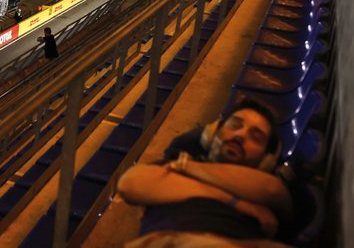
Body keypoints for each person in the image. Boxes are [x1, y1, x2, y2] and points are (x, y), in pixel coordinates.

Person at [117, 100, 293, 247]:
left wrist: (186, 167)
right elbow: (130, 184)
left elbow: (271, 189)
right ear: (212, 133)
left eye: (256, 137)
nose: (240, 135)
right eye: (235, 125)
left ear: (265, 160)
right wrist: (235, 202)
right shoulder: (181, 163)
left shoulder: (180, 167)